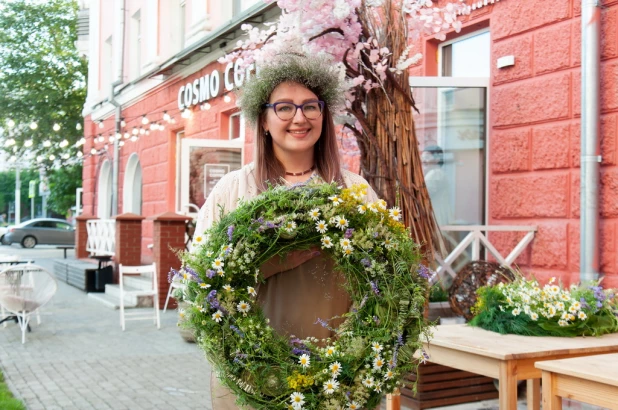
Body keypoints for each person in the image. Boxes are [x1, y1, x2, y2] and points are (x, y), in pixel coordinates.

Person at [194, 54, 378, 409]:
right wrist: (275, 261)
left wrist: (362, 354)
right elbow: (201, 284)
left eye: (311, 106)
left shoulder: (355, 192)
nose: (299, 118)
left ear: (323, 115)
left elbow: (382, 278)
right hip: (248, 378)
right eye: (284, 107)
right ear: (262, 119)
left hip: (334, 380)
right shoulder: (233, 190)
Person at [421, 145, 452, 227]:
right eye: (422, 157)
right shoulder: (438, 173)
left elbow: (422, 194)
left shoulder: (435, 173)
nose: (424, 160)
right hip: (438, 218)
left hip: (436, 219)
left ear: (437, 159)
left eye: (427, 157)